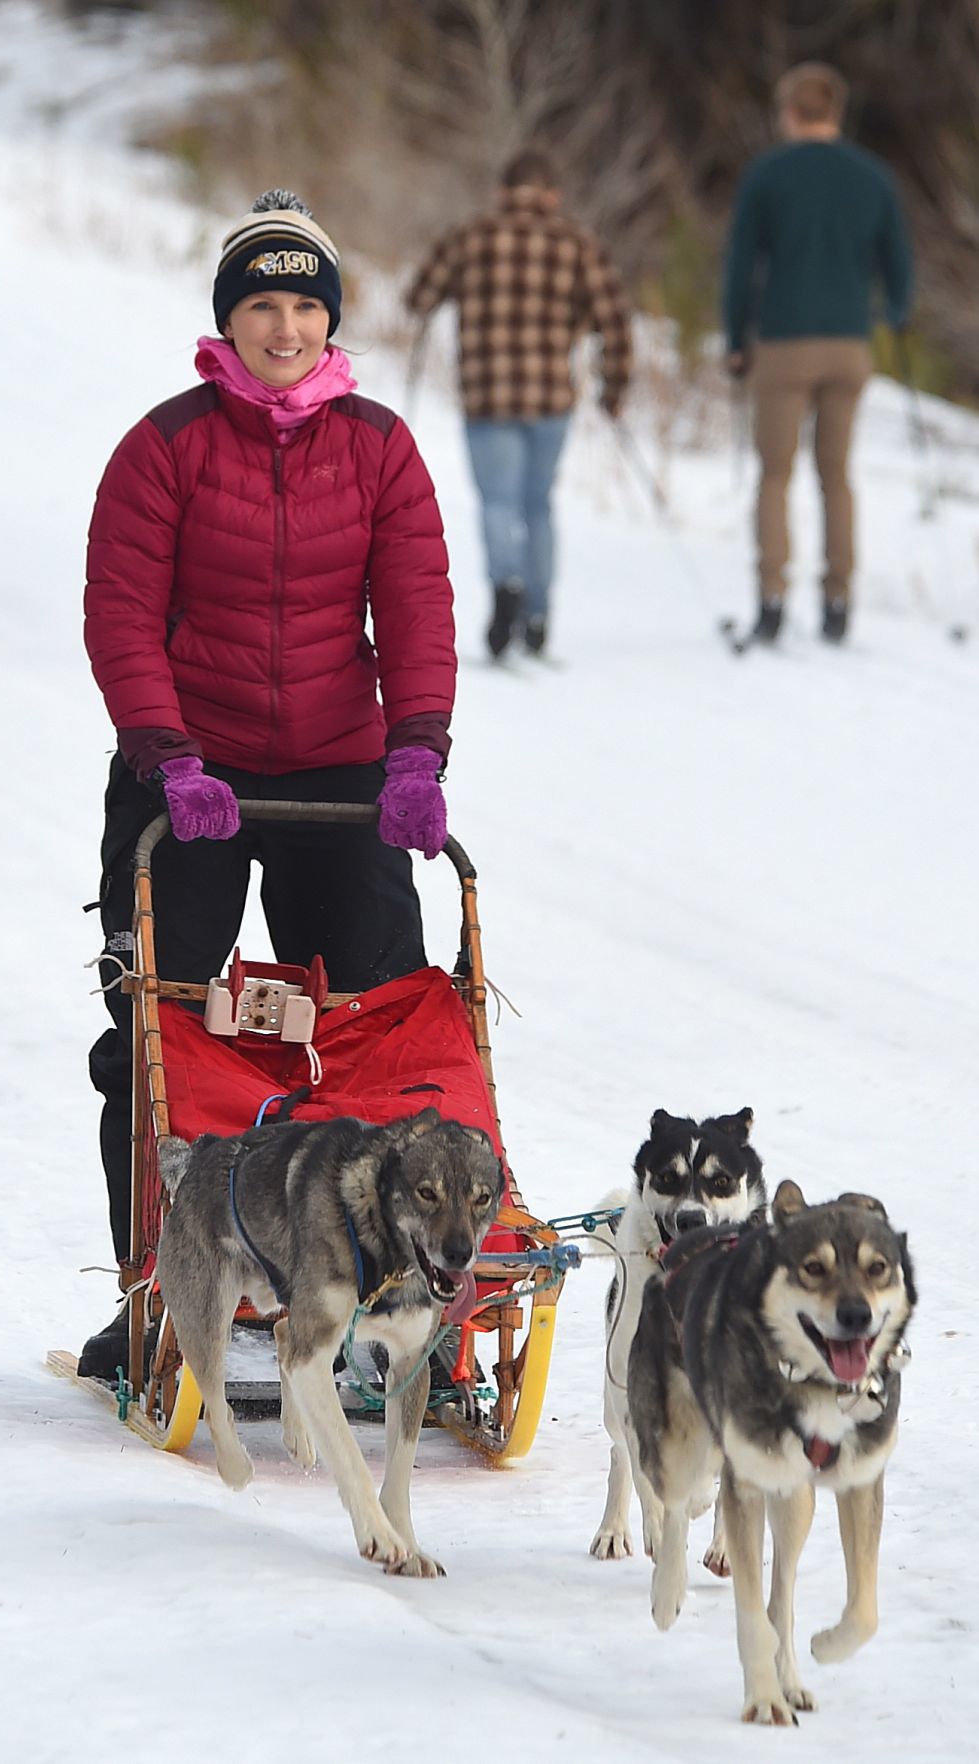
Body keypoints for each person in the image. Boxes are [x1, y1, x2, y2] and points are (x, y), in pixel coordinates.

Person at [79, 190, 456, 1379]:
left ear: (330, 320)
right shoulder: (166, 445)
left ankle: (401, 1303)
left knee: (379, 1029)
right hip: (188, 770)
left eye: (303, 304)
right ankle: (158, 1290)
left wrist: (417, 751)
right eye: (261, 305)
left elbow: (416, 608)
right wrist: (165, 751)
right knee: (160, 1027)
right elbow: (121, 615)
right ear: (227, 320)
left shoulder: (380, 446)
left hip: (342, 776)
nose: (283, 327)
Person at [406, 149, 632, 661]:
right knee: (538, 505)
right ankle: (537, 612)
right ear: (553, 195)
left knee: (497, 503)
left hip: (487, 395)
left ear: (502, 193)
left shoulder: (470, 237)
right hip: (550, 396)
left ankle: (506, 583)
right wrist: (613, 390)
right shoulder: (577, 243)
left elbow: (418, 298)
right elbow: (615, 320)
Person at [723, 62, 913, 644]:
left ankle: (772, 599)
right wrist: (894, 315)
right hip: (849, 345)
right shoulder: (872, 176)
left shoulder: (768, 175)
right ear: (835, 111)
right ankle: (838, 601)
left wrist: (736, 338)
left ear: (789, 112)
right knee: (837, 476)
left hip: (784, 344)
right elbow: (898, 261)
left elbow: (741, 266)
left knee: (775, 475)